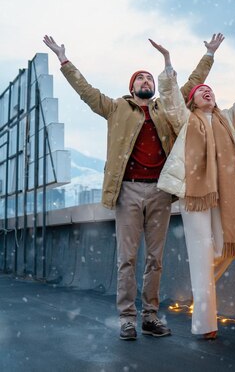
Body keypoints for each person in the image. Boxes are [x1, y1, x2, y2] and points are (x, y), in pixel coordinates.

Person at [42, 33, 225, 341]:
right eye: (140, 78)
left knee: (155, 258)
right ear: (132, 87)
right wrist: (63, 60)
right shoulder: (116, 108)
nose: (145, 80)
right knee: (127, 258)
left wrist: (208, 54)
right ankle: (127, 318)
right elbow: (86, 92)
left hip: (160, 191)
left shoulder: (165, 109)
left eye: (148, 77)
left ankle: (150, 316)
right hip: (127, 190)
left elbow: (189, 85)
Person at [151, 40, 235, 340]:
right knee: (200, 254)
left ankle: (202, 288)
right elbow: (170, 98)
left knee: (224, 249)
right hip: (193, 196)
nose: (206, 92)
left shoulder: (227, 121)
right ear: (193, 102)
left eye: (209, 90)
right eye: (199, 92)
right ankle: (205, 324)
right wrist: (168, 60)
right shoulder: (185, 121)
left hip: (223, 194)